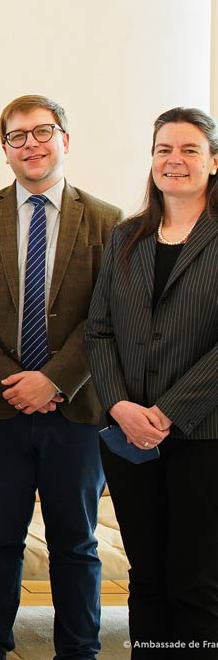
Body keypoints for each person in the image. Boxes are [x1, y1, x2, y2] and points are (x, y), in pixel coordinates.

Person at [0, 95, 121, 660]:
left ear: (65, 139)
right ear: (4, 151)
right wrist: (13, 380)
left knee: (76, 541)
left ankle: (79, 649)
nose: (31, 145)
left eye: (42, 132)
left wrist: (54, 380)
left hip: (76, 410)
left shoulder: (108, 221)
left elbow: (107, 313)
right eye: (17, 137)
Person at [86, 106, 218, 656]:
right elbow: (98, 331)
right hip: (129, 436)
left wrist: (166, 412)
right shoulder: (126, 238)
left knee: (198, 580)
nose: (175, 160)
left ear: (214, 161)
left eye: (189, 149)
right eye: (164, 149)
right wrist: (120, 405)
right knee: (147, 575)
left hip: (203, 435)